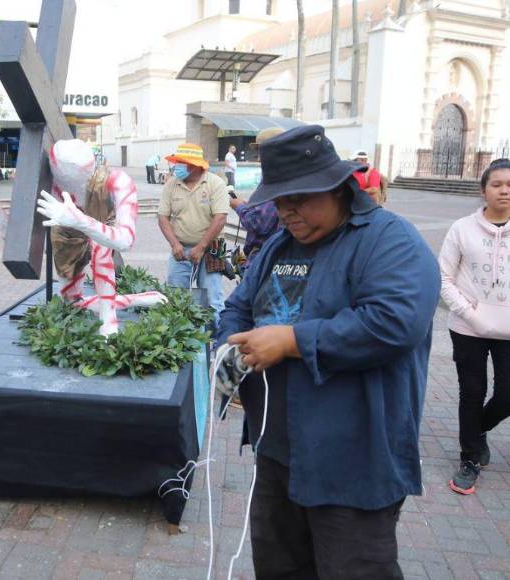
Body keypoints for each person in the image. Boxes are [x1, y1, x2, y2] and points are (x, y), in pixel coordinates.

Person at [217, 125, 440, 579]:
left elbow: (394, 322)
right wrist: (229, 350)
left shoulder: (390, 240)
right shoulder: (279, 244)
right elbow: (238, 306)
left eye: (299, 199)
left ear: (337, 187)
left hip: (353, 459)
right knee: (278, 566)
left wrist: (292, 341)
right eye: (279, 201)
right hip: (278, 450)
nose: (287, 212)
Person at [439, 158, 510, 495]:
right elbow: (443, 277)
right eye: (497, 184)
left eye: (509, 185)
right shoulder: (462, 228)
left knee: (507, 393)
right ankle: (469, 457)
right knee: (472, 391)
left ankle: (476, 429)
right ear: (483, 190)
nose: (504, 191)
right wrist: (470, 314)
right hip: (468, 327)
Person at [157, 143, 229, 327]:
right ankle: (180, 335)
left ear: (194, 165)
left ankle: (216, 337)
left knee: (213, 297)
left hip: (212, 248)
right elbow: (163, 217)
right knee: (176, 297)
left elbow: (220, 218)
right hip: (180, 249)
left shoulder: (215, 184)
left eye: (181, 162)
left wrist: (201, 246)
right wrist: (174, 244)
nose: (177, 166)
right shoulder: (171, 185)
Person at [228, 128, 283, 270]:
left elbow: (258, 223)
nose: (258, 159)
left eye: (261, 153)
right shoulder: (274, 177)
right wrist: (251, 207)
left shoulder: (277, 179)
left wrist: (239, 207)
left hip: (264, 262)